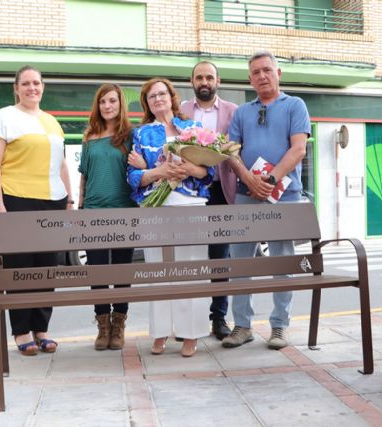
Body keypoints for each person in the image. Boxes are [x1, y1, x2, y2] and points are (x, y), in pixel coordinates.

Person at [222, 51, 310, 350]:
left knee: (281, 262)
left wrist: (270, 181)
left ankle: (279, 327)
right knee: (240, 263)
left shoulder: (295, 105)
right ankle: (242, 326)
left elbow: (298, 149)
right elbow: (231, 151)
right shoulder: (242, 112)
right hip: (246, 196)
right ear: (250, 79)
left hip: (284, 196)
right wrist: (248, 179)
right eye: (256, 72)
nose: (261, 76)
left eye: (267, 70)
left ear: (278, 73)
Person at [0, 65, 72, 356]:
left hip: (53, 202)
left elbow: (61, 164)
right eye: (25, 83)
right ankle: (22, 331)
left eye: (36, 83)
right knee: (20, 270)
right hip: (16, 199)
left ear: (43, 87)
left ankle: (42, 329)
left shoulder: (52, 121)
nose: (31, 88)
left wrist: (69, 201)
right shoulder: (4, 116)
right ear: (16, 88)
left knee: (47, 269)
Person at [127, 77, 214, 357]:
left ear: (171, 97)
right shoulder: (141, 134)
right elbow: (133, 176)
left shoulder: (193, 128)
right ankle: (161, 331)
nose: (158, 99)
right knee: (158, 270)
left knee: (193, 271)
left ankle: (191, 334)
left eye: (162, 94)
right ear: (147, 103)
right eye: (152, 96)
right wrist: (159, 173)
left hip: (190, 204)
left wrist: (187, 168)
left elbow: (207, 172)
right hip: (156, 208)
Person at [78, 83, 142, 351]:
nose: (107, 106)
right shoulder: (89, 137)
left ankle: (119, 324)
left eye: (112, 101)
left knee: (122, 270)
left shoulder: (130, 135)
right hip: (93, 212)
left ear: (120, 104)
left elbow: (141, 169)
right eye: (103, 102)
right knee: (97, 272)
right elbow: (85, 175)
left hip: (124, 211)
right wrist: (79, 206)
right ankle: (103, 325)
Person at [181, 60, 238, 341]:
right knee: (187, 256)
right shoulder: (181, 110)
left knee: (220, 258)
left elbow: (238, 150)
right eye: (199, 77)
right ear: (192, 81)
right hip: (188, 192)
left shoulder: (232, 112)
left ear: (218, 81)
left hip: (220, 191)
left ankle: (218, 318)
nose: (204, 82)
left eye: (209, 77)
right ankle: (186, 322)